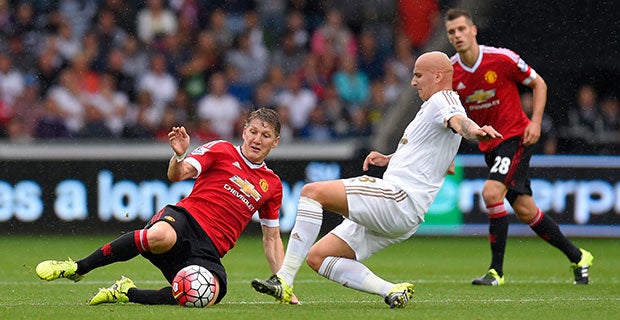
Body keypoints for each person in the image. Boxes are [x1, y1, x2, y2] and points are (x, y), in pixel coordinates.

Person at [251, 51, 502, 308]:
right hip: (406, 216)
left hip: (398, 198)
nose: (413, 82)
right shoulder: (434, 107)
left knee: (312, 192)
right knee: (319, 256)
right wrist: (390, 158)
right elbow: (428, 147)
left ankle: (284, 279)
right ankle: (391, 290)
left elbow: (460, 122)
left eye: (418, 75)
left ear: (438, 76)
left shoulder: (442, 100)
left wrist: (475, 131)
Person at [35, 107, 299, 306]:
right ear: (244, 132)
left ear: (275, 142)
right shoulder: (221, 150)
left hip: (209, 250)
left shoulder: (272, 185)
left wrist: (283, 283)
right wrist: (179, 155)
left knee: (207, 293)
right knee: (160, 236)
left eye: (265, 135)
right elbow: (178, 174)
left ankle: (126, 292)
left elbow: (272, 238)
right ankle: (77, 268)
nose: (257, 139)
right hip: (185, 219)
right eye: (253, 132)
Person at [444, 8, 594, 286]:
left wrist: (535, 122)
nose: (457, 35)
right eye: (452, 32)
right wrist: (448, 154)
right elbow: (453, 117)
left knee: (491, 193)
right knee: (526, 211)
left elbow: (539, 83)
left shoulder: (501, 58)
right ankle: (579, 256)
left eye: (462, 29)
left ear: (474, 30)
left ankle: (496, 272)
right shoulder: (451, 73)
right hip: (490, 147)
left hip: (515, 137)